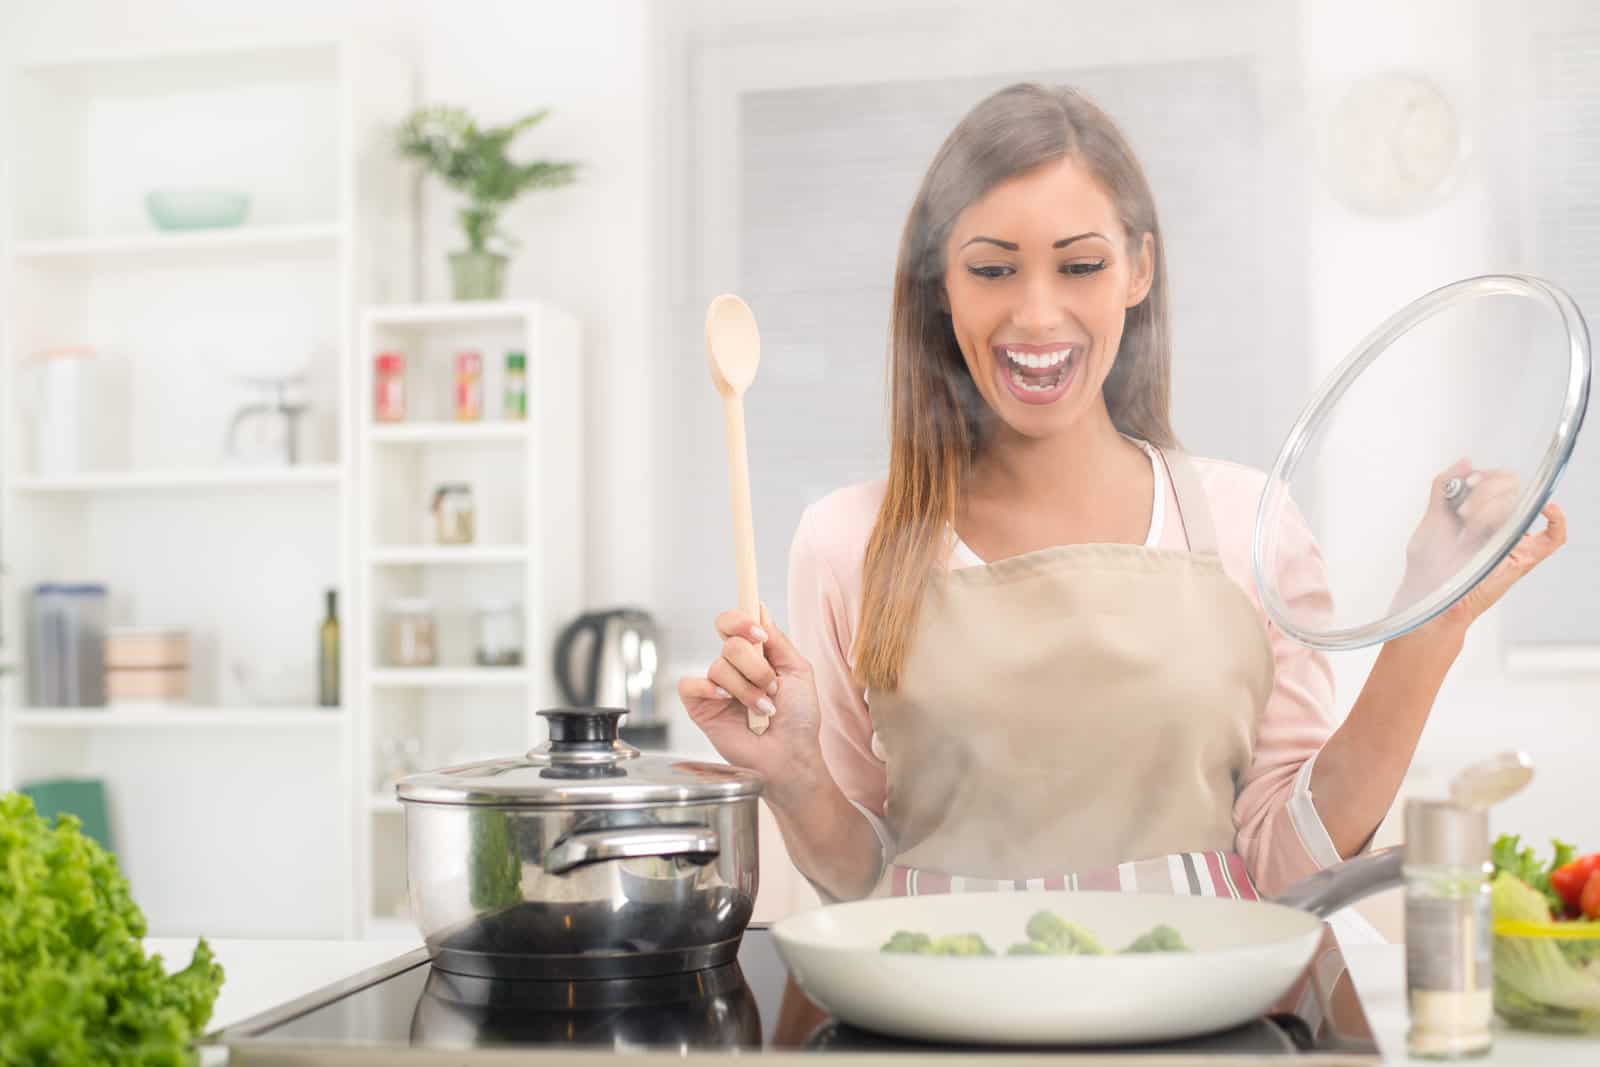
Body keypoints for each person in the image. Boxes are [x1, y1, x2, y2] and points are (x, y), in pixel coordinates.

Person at [678, 83, 1566, 904]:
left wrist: (1431, 621)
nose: (1035, 315)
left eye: (1079, 266)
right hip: (941, 1016)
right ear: (940, 287)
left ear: (1138, 270)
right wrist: (793, 773)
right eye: (992, 270)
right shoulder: (846, 542)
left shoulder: (1245, 526)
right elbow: (861, 883)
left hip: (1198, 1019)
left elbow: (1283, 863)